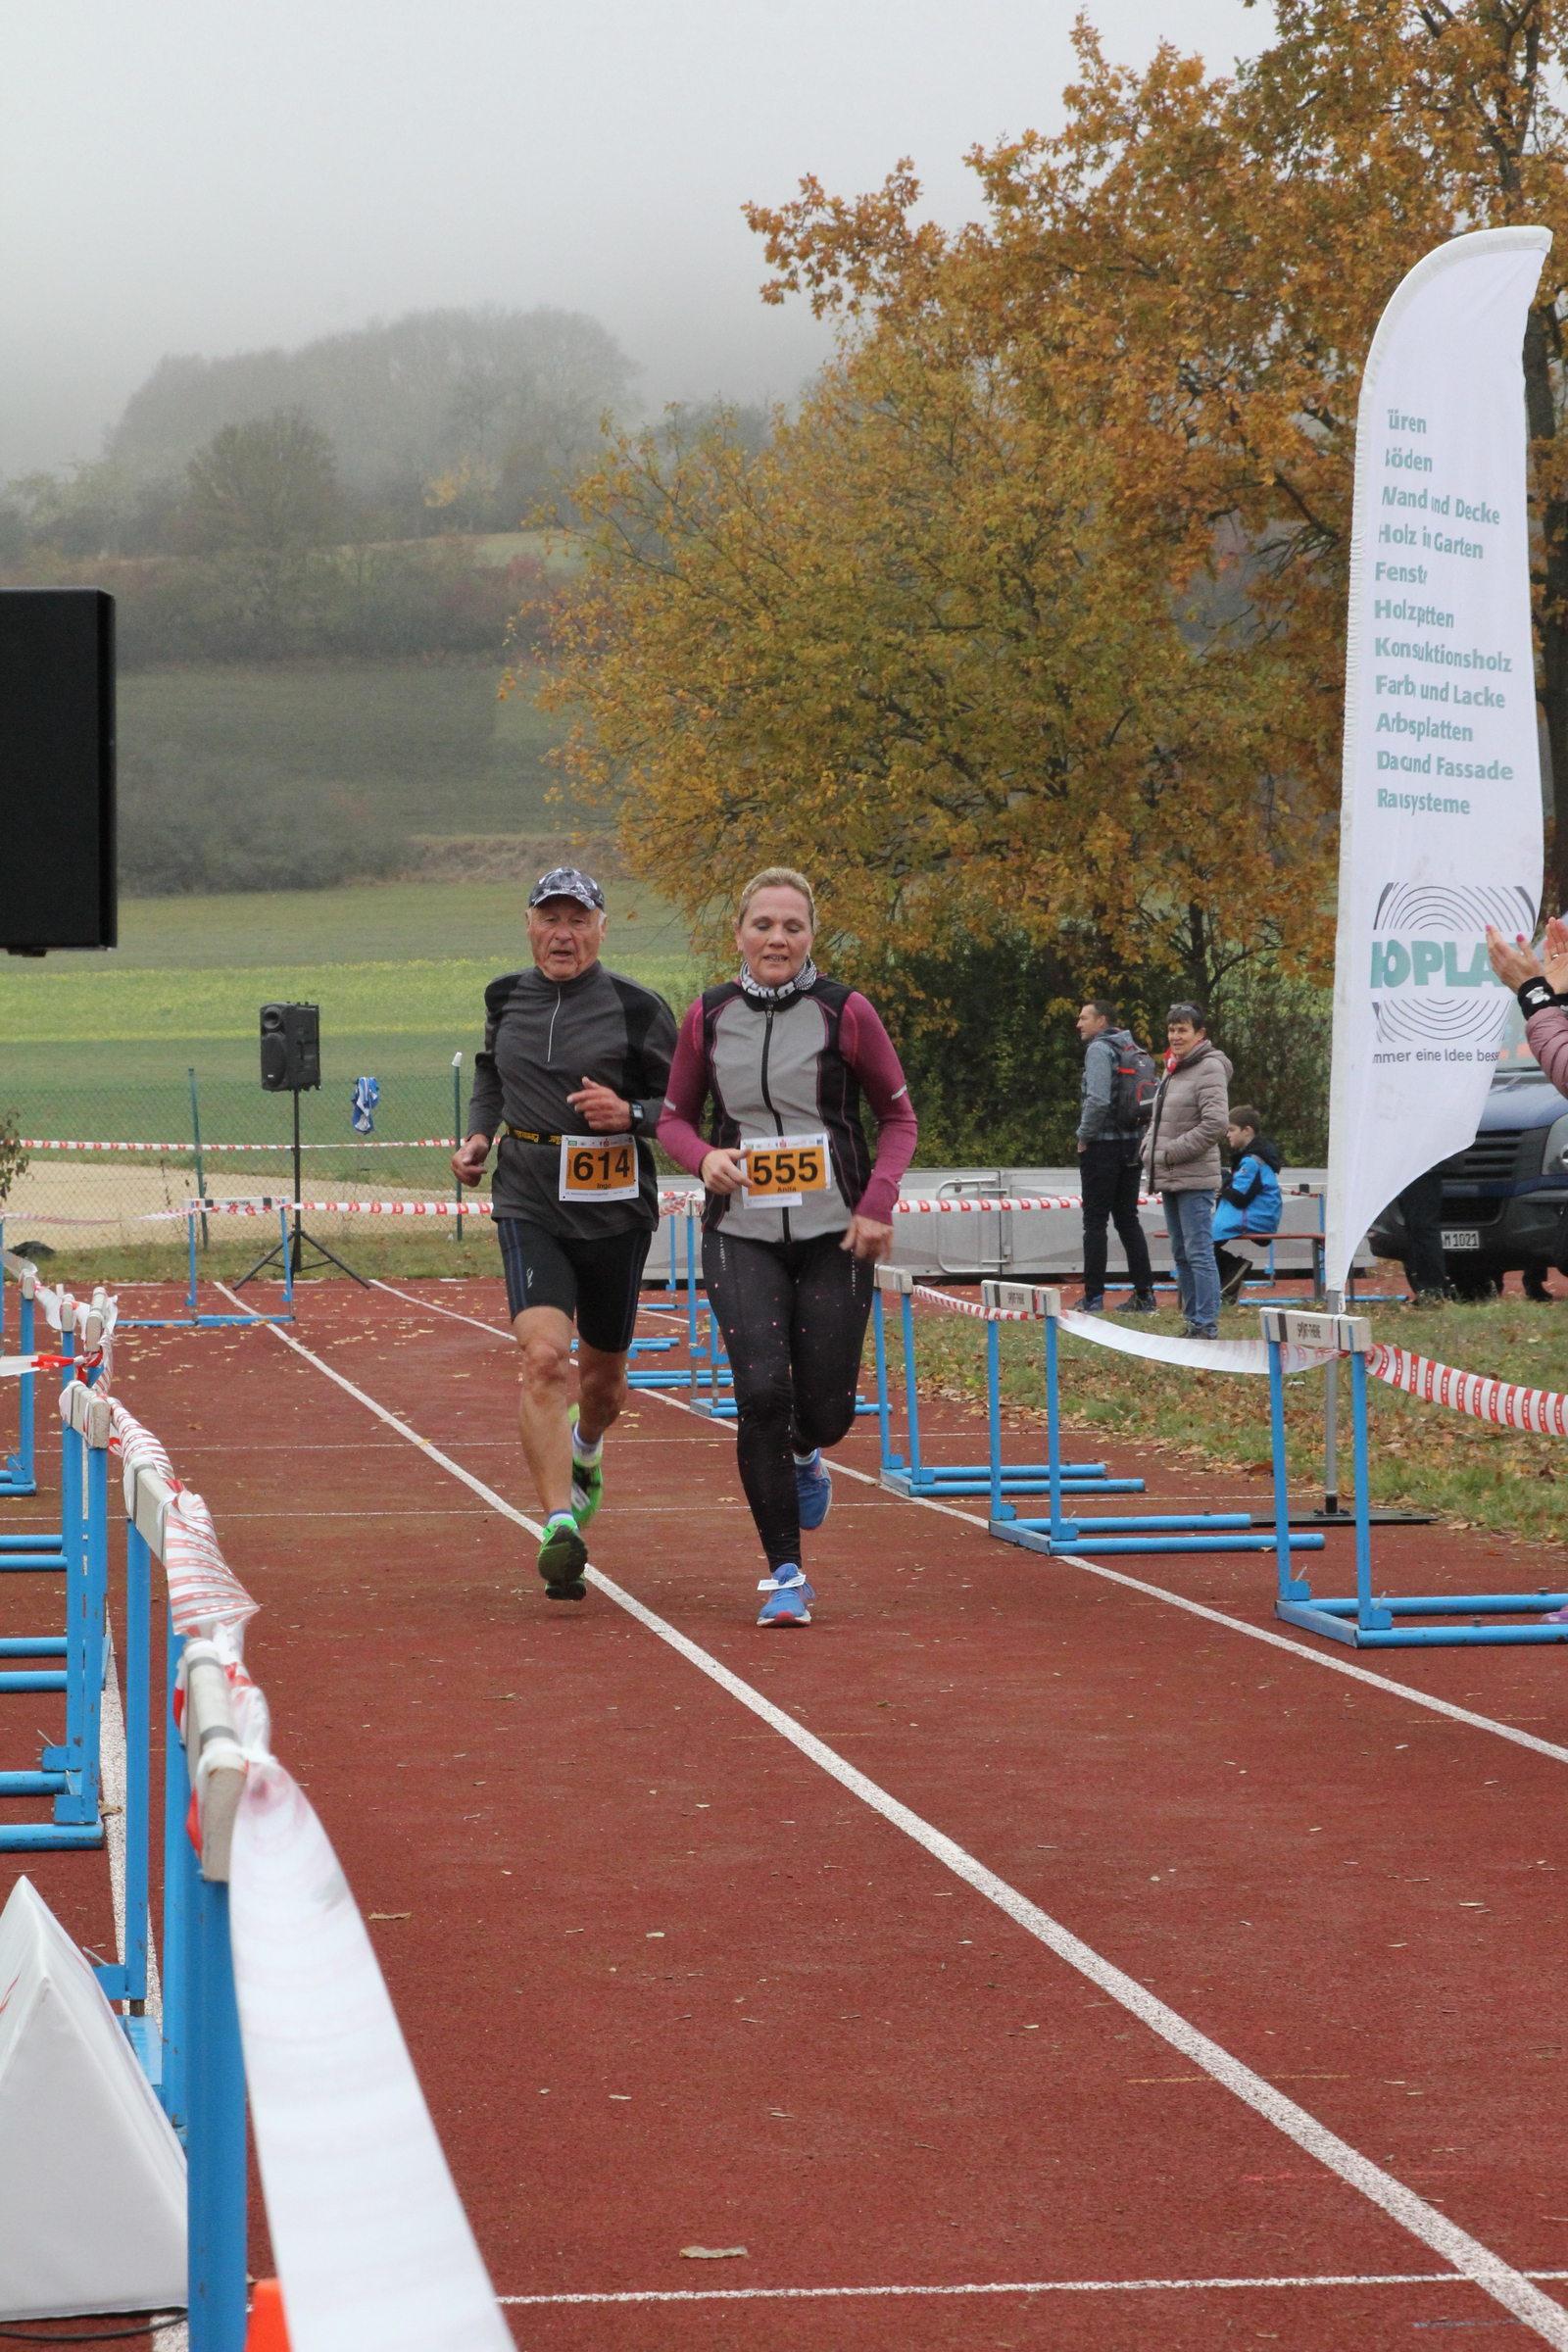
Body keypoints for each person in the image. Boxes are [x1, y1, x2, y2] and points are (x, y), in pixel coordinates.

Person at [659, 867, 918, 1627]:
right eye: (763, 925)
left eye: (792, 927)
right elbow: (673, 1118)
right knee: (763, 1394)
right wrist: (703, 1158)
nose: (777, 939)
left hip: (836, 1235)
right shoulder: (709, 1014)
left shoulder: (846, 1011)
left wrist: (876, 1204)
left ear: (811, 936)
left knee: (827, 1413)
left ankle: (809, 1452)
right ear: (739, 933)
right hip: (741, 1234)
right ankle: (784, 1575)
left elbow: (899, 1120)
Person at [452, 866, 677, 1600]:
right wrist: (479, 1135)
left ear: (601, 930)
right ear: (528, 926)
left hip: (615, 1212)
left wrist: (632, 1115)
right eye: (550, 919)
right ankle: (557, 1526)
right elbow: (491, 1072)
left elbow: (686, 1106)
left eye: (578, 920)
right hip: (530, 1200)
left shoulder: (639, 1009)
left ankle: (587, 1446)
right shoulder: (504, 997)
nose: (563, 934)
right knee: (545, 1358)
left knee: (603, 1387)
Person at [1142, 1001, 1231, 1339]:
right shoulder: (1173, 1067)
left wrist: (1169, 1153)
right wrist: (1148, 1148)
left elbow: (1215, 1124)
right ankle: (1193, 1320)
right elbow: (1159, 1119)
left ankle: (1206, 1323)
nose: (1175, 1036)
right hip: (1170, 1176)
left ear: (1199, 1033)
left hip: (1193, 1177)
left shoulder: (1209, 1068)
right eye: (1171, 1029)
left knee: (1199, 1251)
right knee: (1181, 1252)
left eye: (1183, 1030)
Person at [1074, 999, 1156, 1313]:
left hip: (1102, 1148)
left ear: (1101, 1022)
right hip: (1132, 1145)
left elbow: (1096, 1100)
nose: (1079, 1024)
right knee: (1128, 1220)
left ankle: (1093, 1297)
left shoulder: (1099, 1050)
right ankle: (1145, 1295)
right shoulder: (1133, 1049)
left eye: (1084, 1018)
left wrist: (1084, 1136)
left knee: (1095, 1223)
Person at [1211, 1106, 1283, 1305]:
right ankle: (1228, 1285)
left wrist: (1223, 1183)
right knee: (1203, 1244)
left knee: (1200, 1245)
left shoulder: (1251, 1162)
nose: (1228, 1135)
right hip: (1258, 1215)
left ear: (1247, 1130)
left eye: (1231, 1129)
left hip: (1253, 1217)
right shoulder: (1253, 1159)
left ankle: (1234, 1269)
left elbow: (1239, 1198)